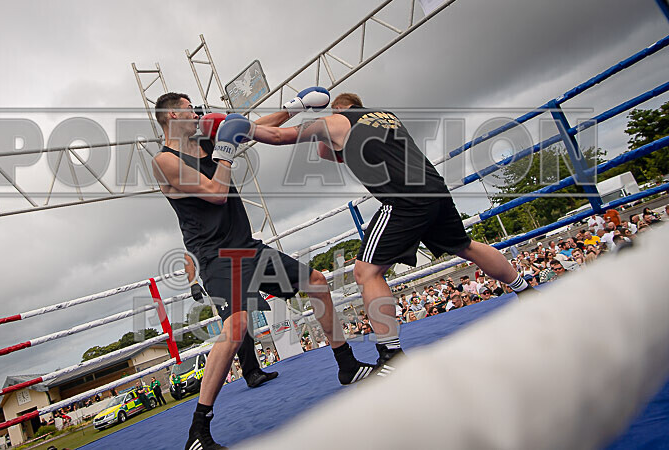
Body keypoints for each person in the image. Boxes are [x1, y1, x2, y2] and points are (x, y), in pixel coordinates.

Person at [245, 91, 537, 368]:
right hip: (433, 188)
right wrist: (324, 127)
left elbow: (278, 136)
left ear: (340, 110)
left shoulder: (337, 121)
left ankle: (391, 351)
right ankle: (525, 290)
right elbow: (330, 153)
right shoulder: (385, 115)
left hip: (403, 199)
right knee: (466, 246)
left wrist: (298, 108)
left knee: (366, 272)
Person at [151, 92, 374, 450]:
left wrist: (294, 108)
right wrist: (224, 150)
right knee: (236, 326)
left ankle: (346, 363)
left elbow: (253, 129)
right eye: (188, 107)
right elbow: (215, 192)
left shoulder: (208, 138)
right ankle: (198, 430)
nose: (196, 112)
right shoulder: (164, 161)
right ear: (172, 115)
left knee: (316, 282)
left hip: (247, 246)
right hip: (215, 256)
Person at [183, 253, 278, 389]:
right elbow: (188, 256)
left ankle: (253, 370)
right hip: (217, 282)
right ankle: (211, 388)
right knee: (236, 324)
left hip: (235, 274)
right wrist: (193, 283)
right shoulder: (197, 234)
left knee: (245, 321)